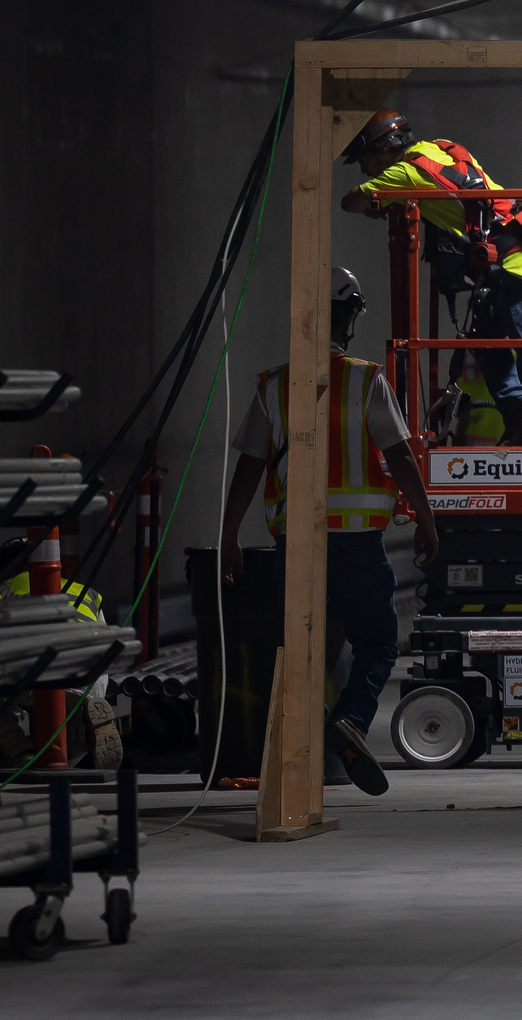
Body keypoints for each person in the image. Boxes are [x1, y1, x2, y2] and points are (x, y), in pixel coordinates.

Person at [219, 266, 442, 796]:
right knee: (379, 642)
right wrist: (428, 519)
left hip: (292, 547)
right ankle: (349, 723)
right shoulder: (366, 380)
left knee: (298, 648)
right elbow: (400, 457)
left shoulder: (274, 385)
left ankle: (301, 746)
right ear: (348, 316)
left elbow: (249, 466)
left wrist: (228, 534)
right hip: (356, 547)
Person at [338, 110, 522, 444]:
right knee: (486, 346)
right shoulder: (441, 148)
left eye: (365, 161)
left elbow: (351, 202)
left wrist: (380, 199)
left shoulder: (405, 172)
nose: (364, 169)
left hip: (517, 267)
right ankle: (519, 422)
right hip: (518, 257)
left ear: (383, 151)